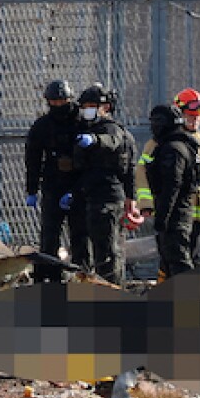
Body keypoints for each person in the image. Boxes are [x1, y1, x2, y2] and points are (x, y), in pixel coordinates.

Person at [136, 87, 200, 265]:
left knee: (190, 255)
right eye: (190, 116)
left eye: (198, 117)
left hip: (196, 212)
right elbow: (143, 173)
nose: (194, 121)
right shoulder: (160, 142)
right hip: (170, 211)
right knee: (172, 256)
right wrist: (146, 204)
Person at [63, 83, 136, 282]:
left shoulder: (114, 131)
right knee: (80, 248)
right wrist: (71, 192)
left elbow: (112, 143)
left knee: (107, 251)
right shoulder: (81, 131)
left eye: (92, 105)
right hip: (85, 197)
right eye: (85, 105)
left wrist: (94, 140)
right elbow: (79, 169)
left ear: (106, 107)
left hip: (107, 199)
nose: (87, 109)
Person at [22, 78, 79, 280]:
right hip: (53, 185)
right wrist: (32, 189)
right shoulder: (43, 126)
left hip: (78, 185)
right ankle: (48, 278)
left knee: (80, 236)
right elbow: (33, 159)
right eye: (53, 102)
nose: (58, 106)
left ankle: (81, 276)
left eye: (61, 101)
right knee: (49, 237)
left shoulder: (81, 123)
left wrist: (78, 189)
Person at [144, 103, 200, 278]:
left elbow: (172, 185)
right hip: (179, 212)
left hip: (176, 215)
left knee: (178, 260)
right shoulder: (180, 145)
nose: (153, 126)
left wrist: (163, 217)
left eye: (157, 122)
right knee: (170, 261)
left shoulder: (173, 149)